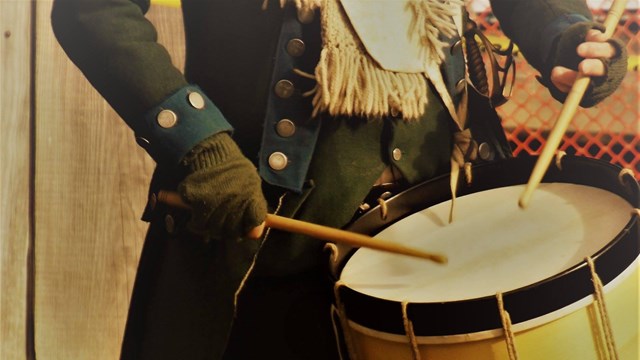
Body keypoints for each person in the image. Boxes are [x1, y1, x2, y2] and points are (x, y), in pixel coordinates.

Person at [51, 0, 627, 358]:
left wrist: (566, 33)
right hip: (270, 241)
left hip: (446, 222)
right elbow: (92, 9)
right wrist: (200, 144)